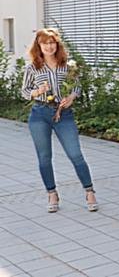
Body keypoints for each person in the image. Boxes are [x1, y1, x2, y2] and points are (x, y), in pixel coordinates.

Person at [21, 28, 98, 213]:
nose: (49, 46)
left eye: (52, 42)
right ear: (39, 46)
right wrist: (38, 91)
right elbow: (24, 92)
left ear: (57, 44)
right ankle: (52, 193)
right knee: (45, 157)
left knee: (75, 154)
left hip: (64, 114)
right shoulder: (32, 67)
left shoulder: (67, 66)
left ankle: (89, 191)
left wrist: (71, 97)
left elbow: (77, 86)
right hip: (40, 114)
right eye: (45, 43)